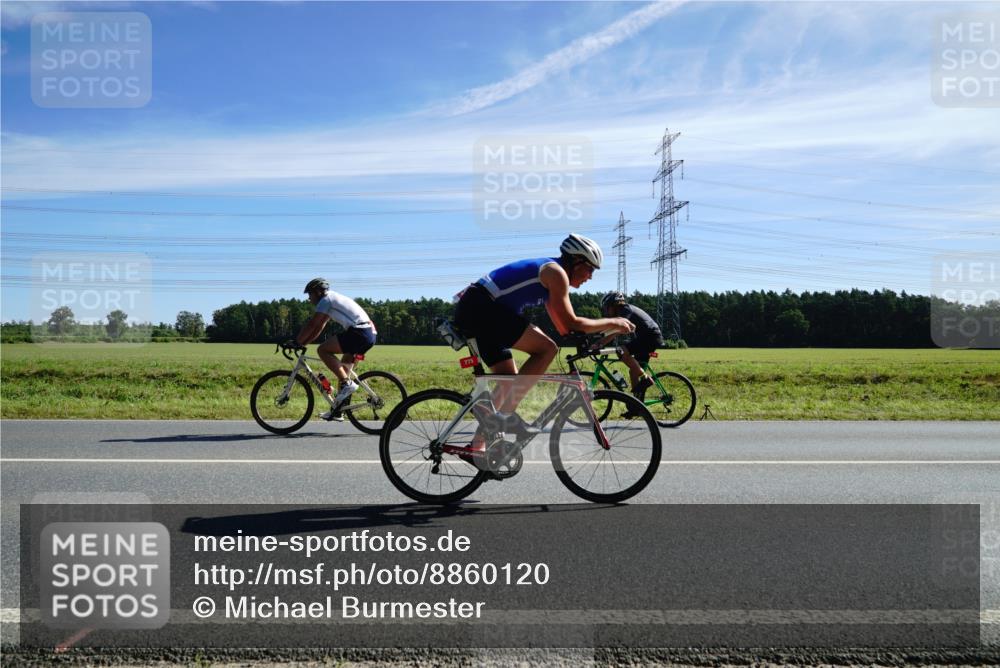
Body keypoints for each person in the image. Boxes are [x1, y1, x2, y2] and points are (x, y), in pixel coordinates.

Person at [453, 234, 635, 437]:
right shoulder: (555, 273)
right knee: (547, 350)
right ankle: (504, 417)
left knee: (509, 382)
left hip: (478, 309)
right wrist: (614, 322)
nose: (590, 276)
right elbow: (572, 322)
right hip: (482, 307)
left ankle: (480, 445)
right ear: (576, 261)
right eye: (590, 269)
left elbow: (564, 329)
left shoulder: (552, 278)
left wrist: (590, 337)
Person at [287, 278, 377, 421]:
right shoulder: (332, 299)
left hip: (359, 332)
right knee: (343, 371)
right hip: (368, 333)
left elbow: (312, 324)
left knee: (323, 350)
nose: (309, 299)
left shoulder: (326, 300)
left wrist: (297, 341)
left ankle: (347, 383)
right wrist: (304, 343)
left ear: (318, 292)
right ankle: (338, 411)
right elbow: (319, 326)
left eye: (310, 294)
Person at [599, 291, 665, 400]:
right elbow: (613, 331)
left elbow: (616, 330)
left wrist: (599, 343)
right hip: (647, 337)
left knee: (621, 351)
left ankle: (645, 378)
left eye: (607, 308)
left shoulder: (625, 310)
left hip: (650, 337)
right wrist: (599, 342)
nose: (606, 311)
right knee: (633, 371)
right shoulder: (623, 312)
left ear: (615, 305)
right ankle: (636, 404)